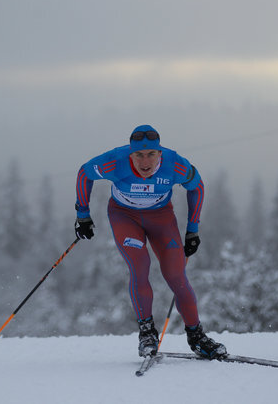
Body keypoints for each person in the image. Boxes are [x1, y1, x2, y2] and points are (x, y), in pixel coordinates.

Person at [74, 124, 226, 359]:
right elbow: (85, 173)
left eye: (151, 154)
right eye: (139, 155)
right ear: (130, 153)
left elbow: (197, 187)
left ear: (160, 153)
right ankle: (147, 333)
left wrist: (192, 230)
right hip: (125, 217)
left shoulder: (174, 164)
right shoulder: (115, 161)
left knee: (176, 275)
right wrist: (82, 215)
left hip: (160, 218)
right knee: (140, 265)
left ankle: (197, 337)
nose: (145, 162)